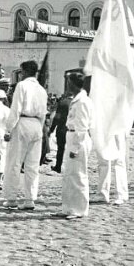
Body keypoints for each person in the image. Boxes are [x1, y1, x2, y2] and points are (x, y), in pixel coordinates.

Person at [1, 60, 48, 211]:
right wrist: (39, 129)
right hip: (36, 125)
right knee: (32, 165)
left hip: (22, 122)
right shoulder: (42, 89)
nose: (20, 75)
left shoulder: (22, 86)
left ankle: (11, 198)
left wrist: (8, 129)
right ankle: (30, 199)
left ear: (26, 72)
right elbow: (43, 113)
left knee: (14, 162)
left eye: (21, 72)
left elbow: (15, 109)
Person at [58, 73, 94, 219]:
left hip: (79, 139)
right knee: (69, 175)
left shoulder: (82, 102)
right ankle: (68, 208)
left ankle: (80, 209)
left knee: (78, 175)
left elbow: (82, 127)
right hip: (72, 136)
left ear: (73, 84)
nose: (67, 85)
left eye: (68, 83)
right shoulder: (76, 100)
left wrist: (76, 147)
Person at [97, 133, 128, 205]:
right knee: (103, 160)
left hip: (118, 128)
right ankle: (102, 194)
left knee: (119, 161)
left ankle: (121, 195)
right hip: (103, 129)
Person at [50, 91, 73, 173]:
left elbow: (57, 117)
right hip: (72, 130)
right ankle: (70, 168)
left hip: (62, 129)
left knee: (60, 149)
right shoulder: (75, 103)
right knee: (71, 149)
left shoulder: (63, 102)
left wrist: (52, 129)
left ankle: (58, 166)